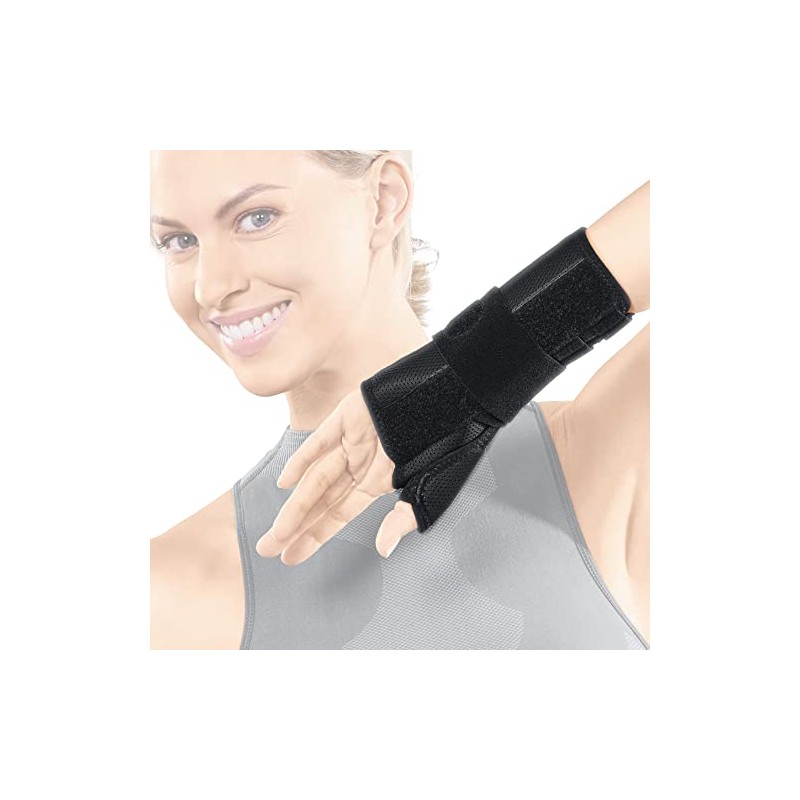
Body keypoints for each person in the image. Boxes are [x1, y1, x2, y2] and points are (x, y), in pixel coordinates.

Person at [149, 150, 650, 649]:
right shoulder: (166, 591)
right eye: (179, 241)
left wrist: (464, 382)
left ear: (384, 200)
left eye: (257, 218)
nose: (210, 287)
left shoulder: (599, 451)